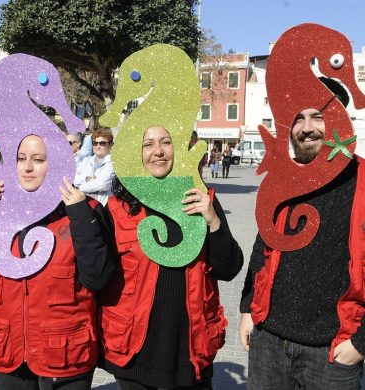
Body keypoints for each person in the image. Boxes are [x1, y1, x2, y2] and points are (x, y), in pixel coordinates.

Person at [0, 134, 114, 390]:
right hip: (9, 353)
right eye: (21, 159)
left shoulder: (82, 208)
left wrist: (79, 214)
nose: (28, 167)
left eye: (38, 159)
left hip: (66, 355)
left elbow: (98, 278)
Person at [100, 125, 243, 389]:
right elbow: (98, 275)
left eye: (165, 142)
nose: (158, 152)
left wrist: (212, 221)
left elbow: (230, 268)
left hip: (191, 351)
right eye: (148, 144)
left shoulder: (202, 199)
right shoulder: (118, 208)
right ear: (136, 153)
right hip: (136, 352)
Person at [239, 94, 365, 388]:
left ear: (339, 119)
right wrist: (247, 308)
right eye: (298, 118)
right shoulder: (284, 179)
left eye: (318, 116)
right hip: (269, 342)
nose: (307, 127)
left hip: (332, 353)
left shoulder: (362, 180)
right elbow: (263, 246)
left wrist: (361, 343)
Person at [74, 128, 116, 206]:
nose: (98, 146)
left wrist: (79, 188)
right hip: (84, 204)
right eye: (95, 143)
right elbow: (75, 179)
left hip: (102, 207)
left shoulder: (113, 163)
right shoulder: (86, 161)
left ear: (110, 145)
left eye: (102, 143)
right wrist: (87, 178)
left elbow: (102, 184)